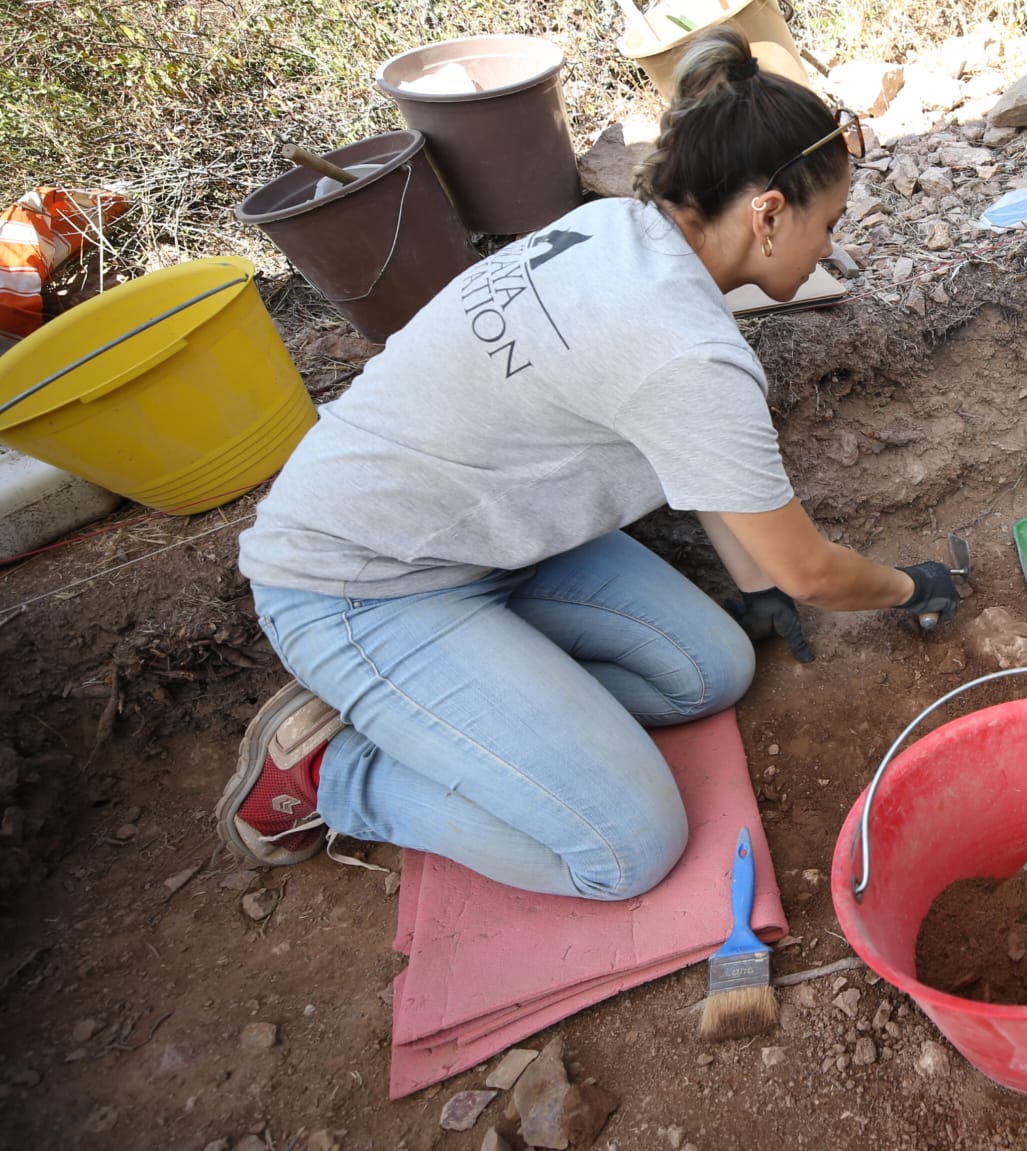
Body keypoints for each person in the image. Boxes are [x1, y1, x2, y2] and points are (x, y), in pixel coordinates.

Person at [219, 28, 956, 900]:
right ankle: (334, 777)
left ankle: (481, 712)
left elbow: (695, 456)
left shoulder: (618, 229)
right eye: (826, 224)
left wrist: (750, 584)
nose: (829, 248)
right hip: (355, 585)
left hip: (480, 542)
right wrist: (912, 585)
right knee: (627, 850)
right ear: (767, 212)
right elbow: (812, 573)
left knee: (711, 671)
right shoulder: (688, 350)